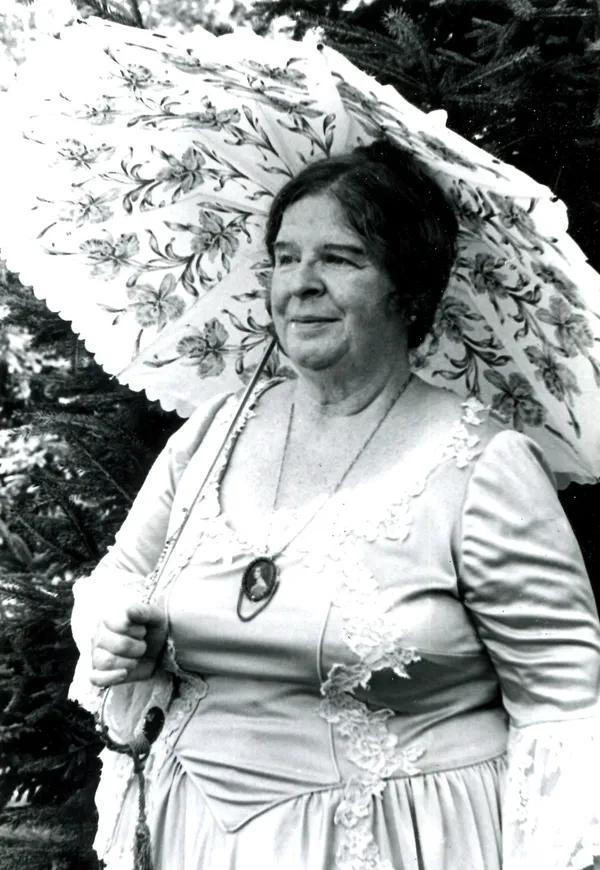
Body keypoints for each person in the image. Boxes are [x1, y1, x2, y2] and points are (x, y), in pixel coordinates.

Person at [69, 140, 600, 870]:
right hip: (192, 835)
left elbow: (564, 703)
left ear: (409, 290)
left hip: (391, 843)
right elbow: (122, 577)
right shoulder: (215, 432)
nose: (301, 284)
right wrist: (116, 629)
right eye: (286, 257)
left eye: (341, 259)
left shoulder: (483, 465)